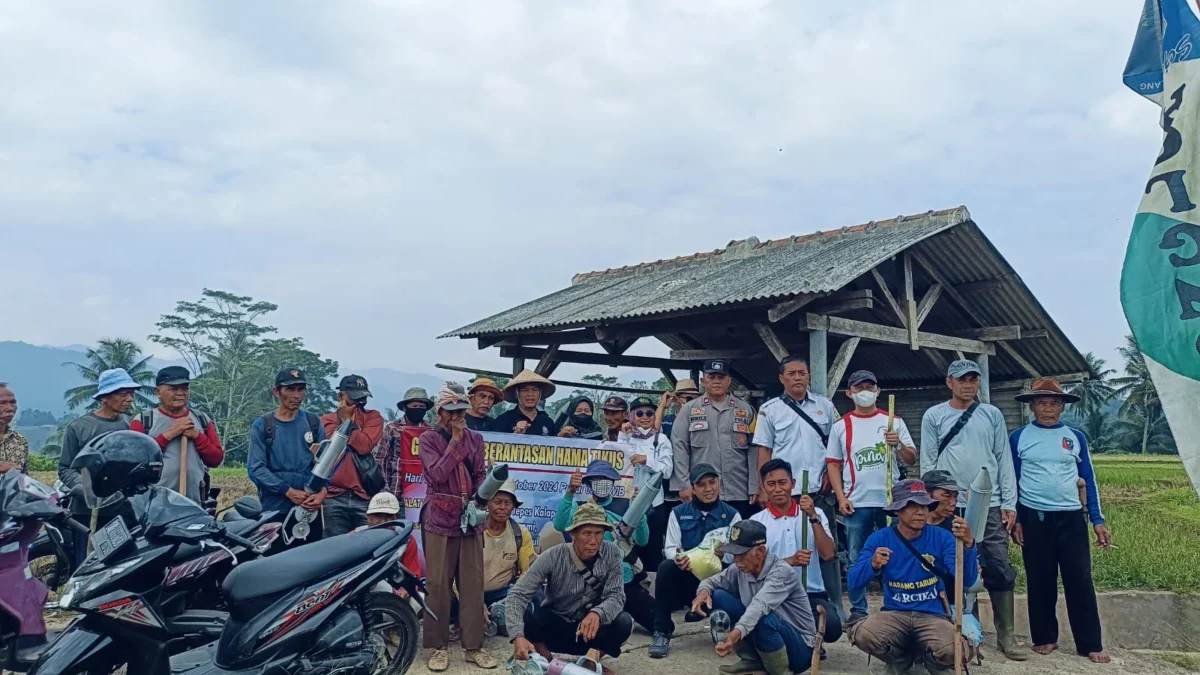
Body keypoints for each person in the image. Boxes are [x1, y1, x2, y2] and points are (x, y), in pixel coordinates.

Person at [919, 359, 1024, 661]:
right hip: (950, 503)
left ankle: (1006, 636)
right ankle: (965, 634)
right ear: (949, 382)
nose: (968, 385)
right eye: (962, 379)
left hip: (987, 502)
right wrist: (933, 501)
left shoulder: (991, 414)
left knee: (997, 564)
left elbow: (1003, 459)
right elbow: (927, 461)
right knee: (956, 565)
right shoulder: (934, 415)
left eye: (973, 380)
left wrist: (1008, 503)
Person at [1010, 378, 1111, 664]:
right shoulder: (1019, 438)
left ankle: (1089, 643)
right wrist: (1016, 517)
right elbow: (1012, 481)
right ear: (1031, 407)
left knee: (1079, 580)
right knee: (1040, 580)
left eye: (1054, 403)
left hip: (1071, 518)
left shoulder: (1075, 437)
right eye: (1042, 403)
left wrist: (1097, 520)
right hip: (1034, 517)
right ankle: (1044, 638)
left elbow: (1088, 479)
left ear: (1063, 407)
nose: (1048, 408)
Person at [847, 479, 977, 675]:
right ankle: (901, 660)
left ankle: (931, 663)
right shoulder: (880, 538)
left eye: (924, 506)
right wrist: (872, 565)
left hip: (933, 616)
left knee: (957, 649)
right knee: (864, 634)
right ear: (897, 511)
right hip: (894, 613)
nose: (920, 512)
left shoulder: (943, 537)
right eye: (912, 506)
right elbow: (853, 582)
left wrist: (968, 545)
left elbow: (966, 580)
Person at [824, 369, 917, 622]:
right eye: (859, 388)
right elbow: (833, 463)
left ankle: (897, 606)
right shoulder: (841, 426)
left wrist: (897, 444)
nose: (865, 392)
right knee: (857, 557)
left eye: (869, 387)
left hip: (891, 503)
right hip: (857, 502)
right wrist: (841, 497)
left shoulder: (893, 422)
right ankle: (858, 610)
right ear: (850, 393)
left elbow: (911, 457)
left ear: (878, 391)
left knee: (897, 555)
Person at [752, 355, 841, 615]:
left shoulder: (825, 406)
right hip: (784, 490)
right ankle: (787, 597)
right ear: (782, 378)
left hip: (819, 487)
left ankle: (833, 603)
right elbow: (764, 450)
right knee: (788, 546)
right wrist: (764, 488)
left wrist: (831, 474)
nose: (797, 378)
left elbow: (836, 446)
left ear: (809, 375)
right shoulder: (769, 410)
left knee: (826, 547)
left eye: (802, 373)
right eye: (791, 374)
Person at [419, 383, 496, 671]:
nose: (456, 416)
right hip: (439, 515)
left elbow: (478, 474)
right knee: (437, 584)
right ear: (439, 413)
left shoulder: (476, 438)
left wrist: (481, 500)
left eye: (460, 411)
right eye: (450, 412)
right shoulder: (429, 439)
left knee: (473, 583)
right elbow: (437, 475)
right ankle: (438, 647)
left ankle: (473, 646)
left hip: (470, 516)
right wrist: (455, 442)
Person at [507, 503, 634, 667]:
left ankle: (592, 659)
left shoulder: (613, 553)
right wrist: (517, 636)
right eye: (587, 533)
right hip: (555, 627)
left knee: (624, 621)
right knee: (527, 612)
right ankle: (545, 659)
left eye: (599, 533)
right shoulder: (553, 556)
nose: (593, 541)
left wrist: (597, 613)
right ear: (573, 534)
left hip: (590, 633)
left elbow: (616, 596)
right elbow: (517, 595)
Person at [691, 519, 817, 675]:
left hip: (800, 650)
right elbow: (711, 581)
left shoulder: (781, 572)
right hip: (767, 636)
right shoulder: (740, 568)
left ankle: (780, 671)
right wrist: (703, 592)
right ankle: (752, 661)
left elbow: (759, 607)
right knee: (719, 595)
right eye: (734, 554)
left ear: (760, 552)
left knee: (764, 618)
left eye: (742, 554)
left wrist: (733, 636)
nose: (736, 560)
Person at [649, 463, 742, 659]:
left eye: (712, 482)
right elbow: (670, 549)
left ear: (719, 483)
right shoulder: (678, 513)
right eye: (701, 485)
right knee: (666, 567)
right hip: (689, 577)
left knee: (736, 573)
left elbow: (739, 556)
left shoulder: (733, 515)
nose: (708, 489)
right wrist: (679, 559)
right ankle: (661, 632)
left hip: (719, 581)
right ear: (692, 488)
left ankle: (720, 622)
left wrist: (723, 554)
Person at [751, 459, 842, 652]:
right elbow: (753, 568)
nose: (778, 489)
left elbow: (828, 555)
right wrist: (789, 562)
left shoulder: (815, 513)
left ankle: (805, 639)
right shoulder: (757, 522)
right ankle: (800, 641)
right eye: (771, 484)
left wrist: (812, 518)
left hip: (810, 593)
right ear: (763, 487)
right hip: (774, 594)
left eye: (782, 483)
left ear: (792, 483)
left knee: (833, 627)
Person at [553, 460, 654, 633]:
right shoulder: (579, 508)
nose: (602, 482)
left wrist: (639, 510)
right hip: (589, 583)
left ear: (613, 482)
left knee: (659, 621)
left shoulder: (626, 506)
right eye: (597, 478)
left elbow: (643, 540)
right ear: (588, 483)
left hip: (623, 580)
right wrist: (570, 492)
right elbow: (559, 525)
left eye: (606, 478)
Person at [58, 368, 138, 564]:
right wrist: (89, 490)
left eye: (131, 393)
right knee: (86, 564)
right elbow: (65, 469)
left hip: (121, 510)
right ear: (104, 397)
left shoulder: (131, 426)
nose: (129, 398)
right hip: (86, 512)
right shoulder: (79, 427)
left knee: (117, 565)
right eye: (122, 393)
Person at [247, 368, 328, 544]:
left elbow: (326, 464)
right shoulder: (263, 425)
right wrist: (287, 491)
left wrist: (322, 492)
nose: (297, 395)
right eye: (290, 389)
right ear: (276, 391)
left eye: (301, 389)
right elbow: (256, 469)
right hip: (274, 511)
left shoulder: (313, 423)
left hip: (309, 511)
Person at [671, 360, 758, 518]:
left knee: (739, 538)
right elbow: (679, 448)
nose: (716, 381)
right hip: (702, 491)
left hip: (738, 490)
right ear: (703, 381)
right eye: (711, 377)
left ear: (729, 380)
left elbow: (755, 451)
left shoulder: (746, 410)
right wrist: (683, 485)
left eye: (721, 377)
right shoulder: (689, 410)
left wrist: (755, 486)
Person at [128, 366, 224, 502]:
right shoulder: (144, 421)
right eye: (173, 388)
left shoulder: (201, 419)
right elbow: (135, 462)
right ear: (158, 391)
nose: (180, 393)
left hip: (194, 501)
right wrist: (169, 434)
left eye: (185, 388)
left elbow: (216, 459)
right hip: (153, 503)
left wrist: (197, 436)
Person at [319, 374, 385, 537]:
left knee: (368, 546)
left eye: (362, 397)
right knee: (334, 549)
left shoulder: (373, 417)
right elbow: (333, 444)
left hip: (363, 494)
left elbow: (364, 446)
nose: (359, 402)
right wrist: (347, 422)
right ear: (341, 396)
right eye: (355, 398)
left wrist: (347, 420)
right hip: (333, 496)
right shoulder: (326, 420)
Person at [620, 395, 673, 571]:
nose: (645, 417)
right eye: (640, 413)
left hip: (654, 504)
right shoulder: (626, 437)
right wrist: (623, 435)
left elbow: (667, 471)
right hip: (628, 502)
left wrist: (647, 460)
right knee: (625, 547)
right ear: (632, 416)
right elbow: (617, 464)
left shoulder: (661, 439)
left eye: (650, 413)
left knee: (653, 548)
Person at [375, 386, 434, 498]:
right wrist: (384, 488)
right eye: (414, 406)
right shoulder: (392, 428)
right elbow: (379, 460)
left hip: (421, 495)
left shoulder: (430, 431)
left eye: (422, 406)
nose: (418, 408)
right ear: (405, 408)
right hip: (394, 491)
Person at [493, 370, 557, 436]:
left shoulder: (548, 421)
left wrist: (562, 437)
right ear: (516, 394)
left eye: (535, 390)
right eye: (525, 390)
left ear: (540, 394)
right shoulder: (503, 420)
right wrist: (514, 434)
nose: (530, 394)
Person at [0, 383, 29, 474]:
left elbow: (24, 479)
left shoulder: (19, 441)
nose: (10, 408)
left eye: (13, 402)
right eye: (2, 403)